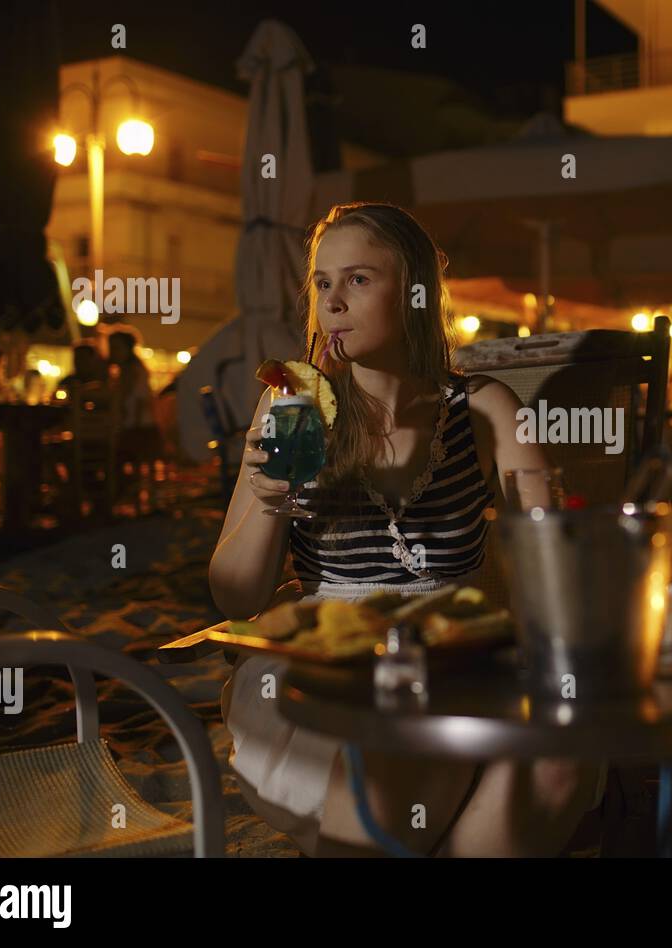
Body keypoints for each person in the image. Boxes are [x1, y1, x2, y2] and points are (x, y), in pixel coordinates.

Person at [210, 202, 605, 857]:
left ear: (416, 294)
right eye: (323, 282)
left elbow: (550, 562)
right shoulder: (293, 403)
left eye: (359, 279)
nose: (333, 301)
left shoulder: (482, 408)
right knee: (413, 747)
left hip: (462, 647)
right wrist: (268, 502)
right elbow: (235, 599)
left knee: (555, 765)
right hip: (333, 660)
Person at [108, 330, 162, 484]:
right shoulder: (125, 372)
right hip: (136, 429)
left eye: (116, 348)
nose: (112, 353)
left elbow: (140, 403)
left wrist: (127, 430)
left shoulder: (135, 372)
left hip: (139, 430)